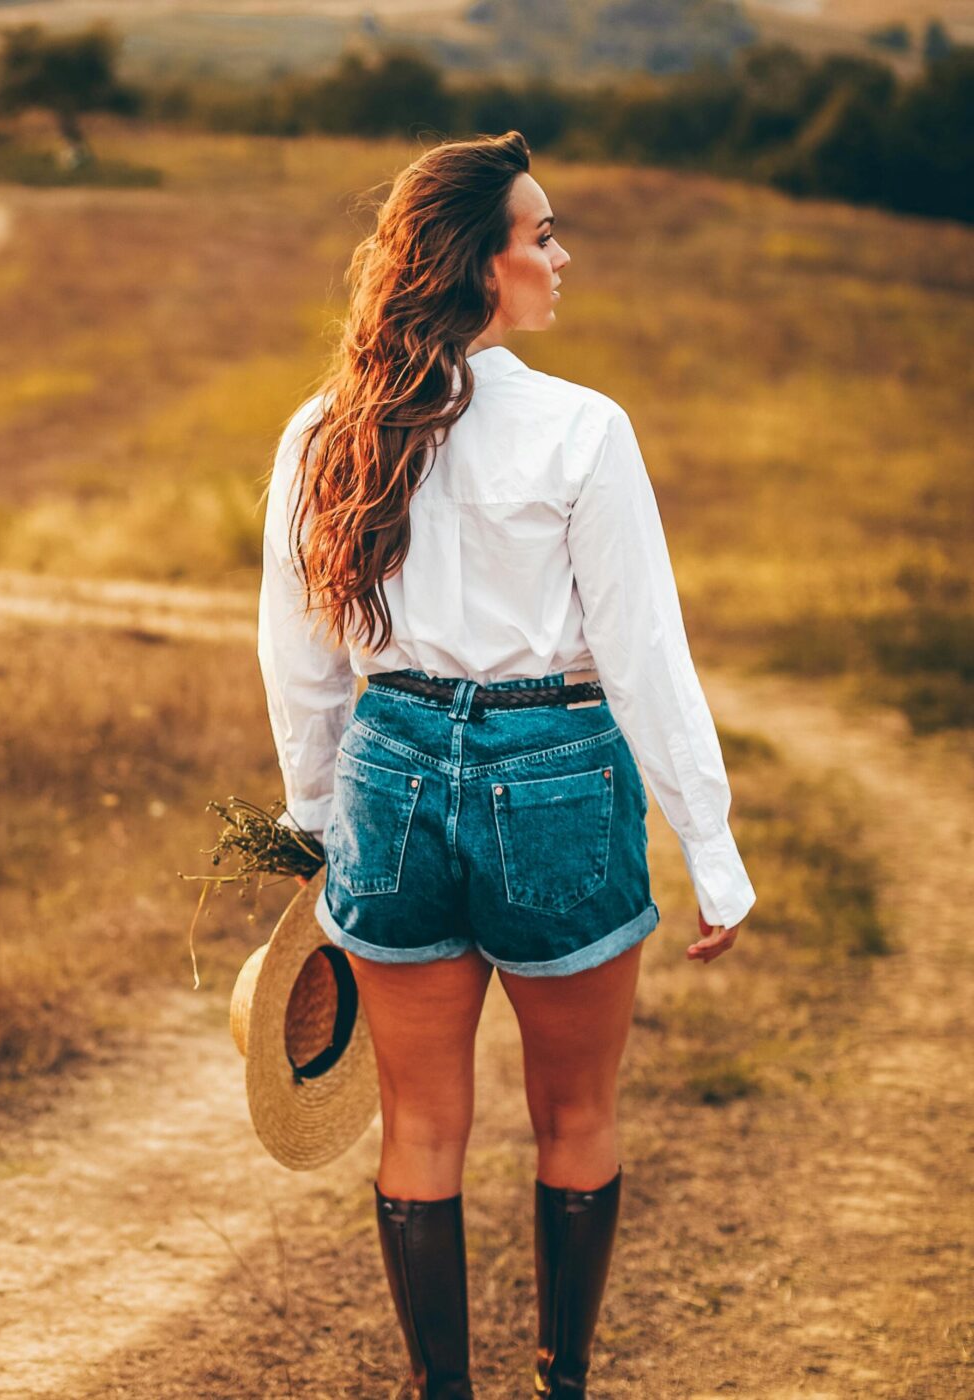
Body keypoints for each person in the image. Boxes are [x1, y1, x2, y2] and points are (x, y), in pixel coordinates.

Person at [255, 132, 756, 1399]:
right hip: (553, 773)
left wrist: (318, 821)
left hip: (390, 776)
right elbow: (642, 653)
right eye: (539, 234)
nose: (557, 254)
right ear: (480, 263)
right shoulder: (581, 428)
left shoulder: (323, 431)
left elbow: (300, 661)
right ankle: (563, 1386)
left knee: (420, 1125)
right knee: (575, 1116)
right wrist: (709, 843)